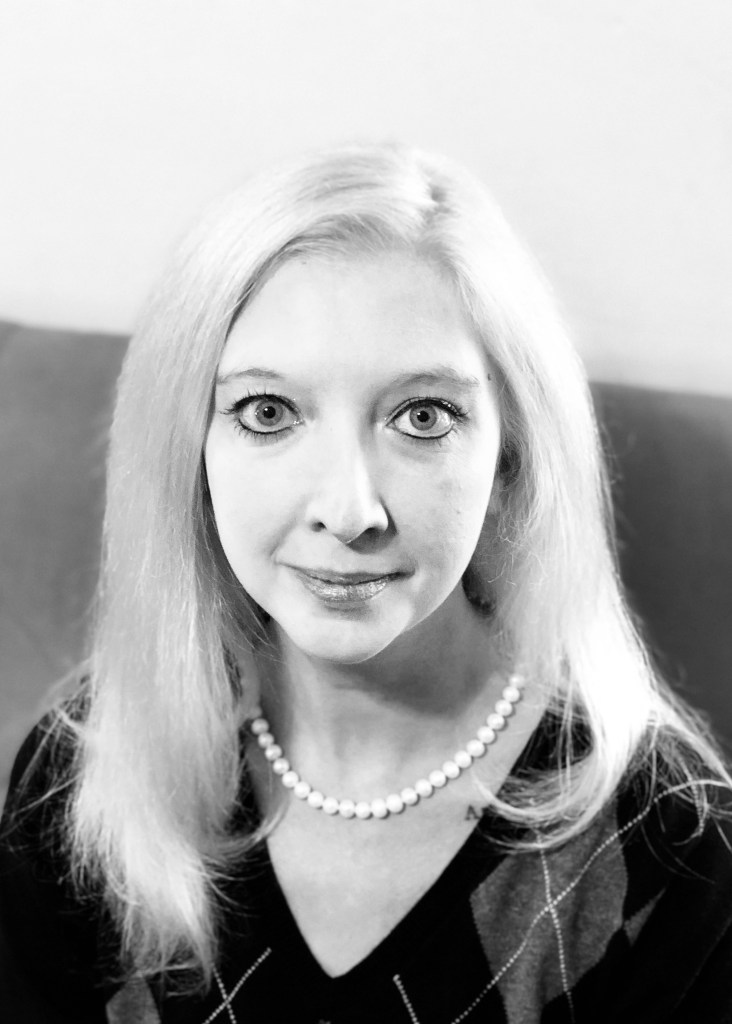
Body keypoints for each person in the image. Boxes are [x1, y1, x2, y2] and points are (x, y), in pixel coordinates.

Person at [1, 143, 731, 1024]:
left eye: (423, 416)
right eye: (269, 412)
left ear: (512, 455)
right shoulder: (84, 768)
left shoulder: (671, 846)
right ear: (191, 452)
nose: (350, 512)